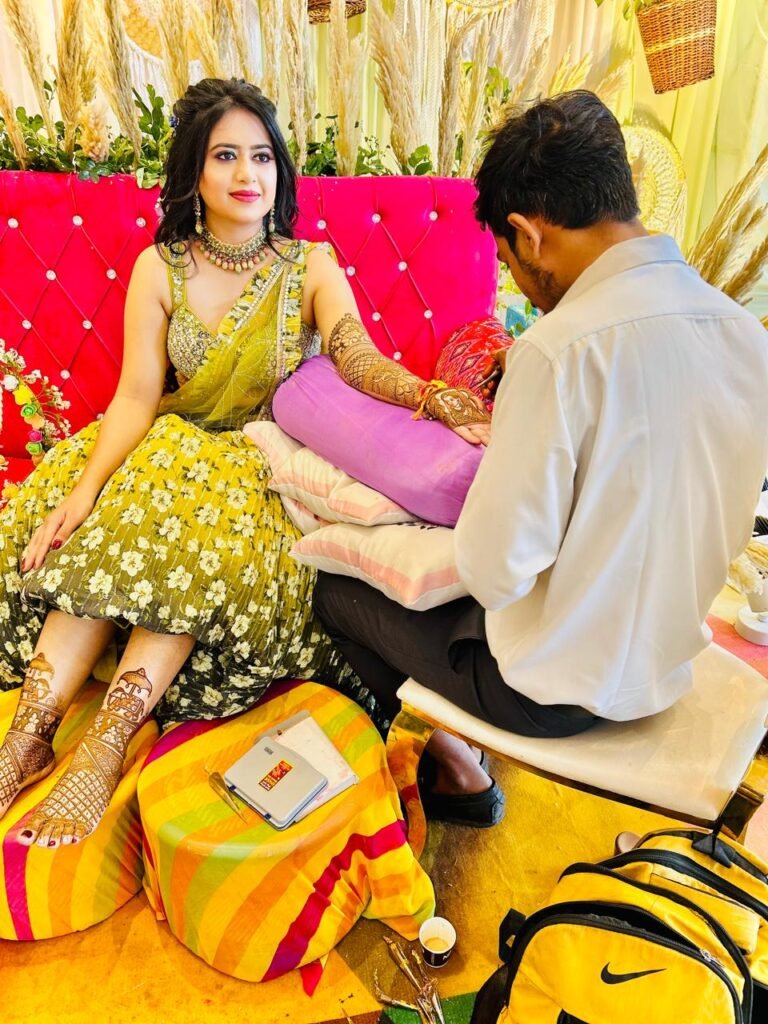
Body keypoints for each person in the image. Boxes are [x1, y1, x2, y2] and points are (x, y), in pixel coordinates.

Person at [0, 78, 490, 849]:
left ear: (280, 169)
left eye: (261, 156)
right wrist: (85, 490)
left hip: (260, 465)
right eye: (225, 155)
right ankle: (28, 737)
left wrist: (429, 395)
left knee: (189, 542)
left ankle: (104, 744)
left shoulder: (310, 265)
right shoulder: (160, 268)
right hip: (168, 444)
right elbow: (137, 395)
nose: (246, 173)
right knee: (107, 521)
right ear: (194, 170)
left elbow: (357, 360)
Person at [313, 89, 768, 828]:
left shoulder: (558, 352)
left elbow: (496, 572)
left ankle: (452, 771)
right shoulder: (745, 335)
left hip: (552, 697)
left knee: (336, 591)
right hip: (669, 666)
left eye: (507, 261)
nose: (519, 284)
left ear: (527, 233)